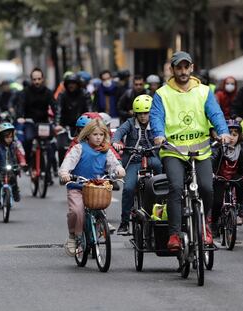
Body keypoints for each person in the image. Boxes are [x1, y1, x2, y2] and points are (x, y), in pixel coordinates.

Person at [150, 51, 231, 251]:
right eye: (179, 67)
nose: (183, 71)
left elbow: (216, 113)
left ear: (192, 68)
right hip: (173, 150)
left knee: (207, 187)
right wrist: (159, 135)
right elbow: (156, 117)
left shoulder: (204, 91)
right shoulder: (162, 93)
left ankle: (206, 225)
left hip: (200, 150)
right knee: (176, 187)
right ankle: (174, 235)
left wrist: (223, 132)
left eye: (186, 67)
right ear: (173, 69)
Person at [59, 119, 125, 256]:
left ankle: (100, 224)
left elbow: (114, 164)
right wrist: (65, 173)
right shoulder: (79, 148)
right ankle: (74, 235)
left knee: (99, 207)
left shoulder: (106, 150)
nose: (98, 137)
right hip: (77, 186)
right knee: (77, 211)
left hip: (96, 187)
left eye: (101, 135)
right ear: (88, 135)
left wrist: (119, 170)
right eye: (95, 134)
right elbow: (67, 164)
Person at [112, 95, 162, 235]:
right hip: (134, 160)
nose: (143, 116)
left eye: (146, 112)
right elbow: (119, 133)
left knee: (161, 182)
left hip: (152, 157)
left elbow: (166, 133)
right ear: (135, 113)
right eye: (139, 113)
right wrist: (116, 142)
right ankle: (124, 223)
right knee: (128, 188)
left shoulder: (157, 122)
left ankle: (161, 216)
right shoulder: (129, 122)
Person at [212, 120, 243, 227]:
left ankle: (240, 206)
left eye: (235, 135)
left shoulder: (242, 148)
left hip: (235, 175)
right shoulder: (219, 148)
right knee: (217, 202)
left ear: (239, 136)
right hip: (220, 176)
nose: (232, 138)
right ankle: (214, 222)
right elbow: (212, 160)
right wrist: (211, 173)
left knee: (242, 183)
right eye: (229, 134)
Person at [16, 67, 60, 165]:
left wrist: (57, 121)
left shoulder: (48, 92)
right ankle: (27, 162)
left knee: (50, 144)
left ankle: (51, 167)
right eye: (34, 79)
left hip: (44, 122)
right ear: (31, 80)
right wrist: (20, 116)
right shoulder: (25, 92)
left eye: (39, 79)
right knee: (28, 140)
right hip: (30, 122)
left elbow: (55, 107)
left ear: (42, 79)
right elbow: (20, 105)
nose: (37, 82)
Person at [0, 122, 27, 207]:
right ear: (1, 137)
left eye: (11, 137)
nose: (9, 139)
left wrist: (22, 162)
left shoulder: (14, 146)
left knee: (13, 180)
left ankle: (16, 193)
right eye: (6, 137)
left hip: (11, 167)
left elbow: (19, 155)